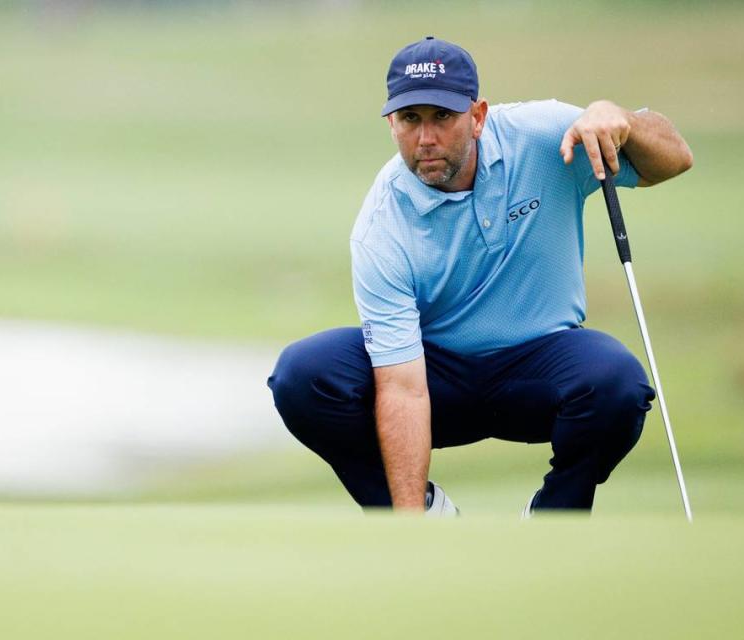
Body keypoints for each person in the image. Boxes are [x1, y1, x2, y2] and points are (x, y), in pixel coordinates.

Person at [267, 36, 693, 515]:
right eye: (410, 120)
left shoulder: (546, 135)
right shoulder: (382, 224)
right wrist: (410, 522)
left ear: (478, 115)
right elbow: (403, 388)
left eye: (442, 118)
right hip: (434, 378)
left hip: (541, 369)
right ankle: (424, 521)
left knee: (616, 381)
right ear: (391, 124)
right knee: (304, 376)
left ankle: (556, 520)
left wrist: (624, 121)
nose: (425, 138)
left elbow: (674, 160)